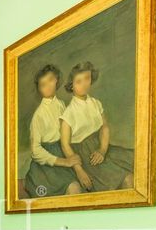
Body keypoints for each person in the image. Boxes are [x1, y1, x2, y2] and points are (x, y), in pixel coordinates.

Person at [58, 61, 134, 192]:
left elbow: (104, 127)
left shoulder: (95, 103)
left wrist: (102, 150)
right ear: (71, 85)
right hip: (85, 157)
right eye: (79, 81)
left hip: (101, 147)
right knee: (125, 179)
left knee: (135, 167)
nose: (84, 84)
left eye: (87, 78)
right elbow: (65, 145)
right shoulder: (68, 113)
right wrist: (79, 170)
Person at [24, 65, 83, 197]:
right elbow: (35, 150)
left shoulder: (61, 104)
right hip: (47, 163)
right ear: (39, 89)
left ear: (56, 79)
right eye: (43, 84)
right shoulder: (38, 115)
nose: (48, 86)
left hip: (64, 150)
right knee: (73, 187)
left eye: (50, 80)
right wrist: (65, 162)